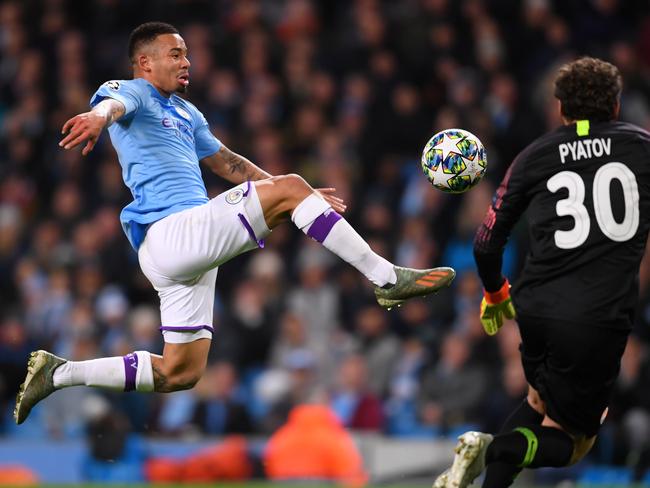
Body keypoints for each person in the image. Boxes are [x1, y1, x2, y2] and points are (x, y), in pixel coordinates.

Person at [14, 22, 455, 425]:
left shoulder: (187, 113)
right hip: (172, 232)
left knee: (180, 372)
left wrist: (292, 192)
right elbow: (113, 105)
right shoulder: (130, 91)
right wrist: (96, 116)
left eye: (187, 54)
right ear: (145, 62)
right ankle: (386, 277)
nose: (186, 62)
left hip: (184, 253)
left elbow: (228, 163)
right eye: (175, 54)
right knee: (292, 188)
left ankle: (59, 373)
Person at [433, 56, 650, 488]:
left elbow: (485, 242)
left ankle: (489, 475)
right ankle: (493, 447)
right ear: (617, 105)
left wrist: (495, 293)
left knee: (537, 401)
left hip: (535, 309)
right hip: (596, 318)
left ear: (560, 109)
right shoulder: (642, 147)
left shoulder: (535, 155)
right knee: (574, 441)